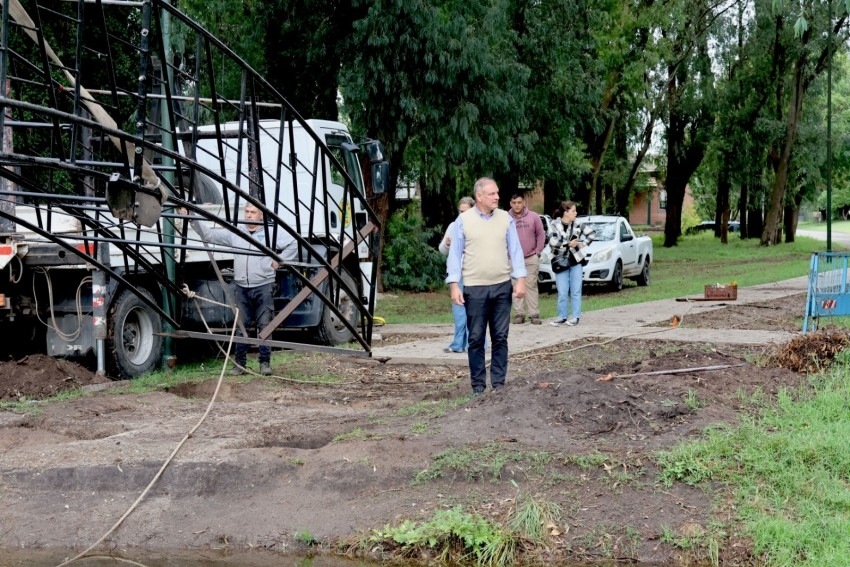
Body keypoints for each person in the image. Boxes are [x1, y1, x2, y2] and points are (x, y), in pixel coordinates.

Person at [191, 203, 297, 375]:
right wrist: (192, 219)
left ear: (261, 215)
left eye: (253, 212)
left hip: (264, 285)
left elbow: (293, 243)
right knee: (241, 327)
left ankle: (265, 364)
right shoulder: (237, 232)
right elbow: (209, 235)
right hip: (242, 286)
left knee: (265, 326)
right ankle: (240, 364)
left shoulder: (270, 232)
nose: (248, 215)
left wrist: (279, 261)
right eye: (247, 212)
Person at [446, 177, 527, 394]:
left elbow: (516, 250)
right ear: (479, 196)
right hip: (474, 288)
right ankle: (478, 386)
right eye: (492, 194)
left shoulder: (505, 218)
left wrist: (520, 279)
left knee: (500, 336)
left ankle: (499, 384)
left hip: (501, 286)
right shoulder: (463, 220)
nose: (497, 197)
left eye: (497, 193)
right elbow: (454, 255)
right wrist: (454, 284)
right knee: (475, 337)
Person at [548, 201, 594, 326]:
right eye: (573, 211)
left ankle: (575, 317)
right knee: (562, 291)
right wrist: (568, 244)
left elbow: (592, 233)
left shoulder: (578, 223)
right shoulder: (554, 224)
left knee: (576, 290)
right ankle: (562, 316)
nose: (576, 213)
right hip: (561, 260)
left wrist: (583, 243)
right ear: (566, 212)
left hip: (576, 260)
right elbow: (552, 240)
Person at [439, 196, 475, 353]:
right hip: (457, 275)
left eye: (465, 212)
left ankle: (474, 344)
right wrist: (447, 244)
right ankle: (458, 344)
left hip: (474, 273)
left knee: (474, 311)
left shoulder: (478, 226)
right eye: (460, 211)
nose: (462, 215)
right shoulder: (453, 226)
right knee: (459, 311)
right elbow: (442, 250)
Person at [508, 193, 546, 325]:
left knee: (531, 284)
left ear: (524, 202)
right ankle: (519, 313)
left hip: (530, 257)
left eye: (519, 202)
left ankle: (534, 313)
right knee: (516, 286)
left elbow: (541, 234)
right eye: (514, 203)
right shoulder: (506, 218)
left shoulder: (533, 216)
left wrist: (538, 252)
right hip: (513, 259)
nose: (517, 205)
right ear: (510, 203)